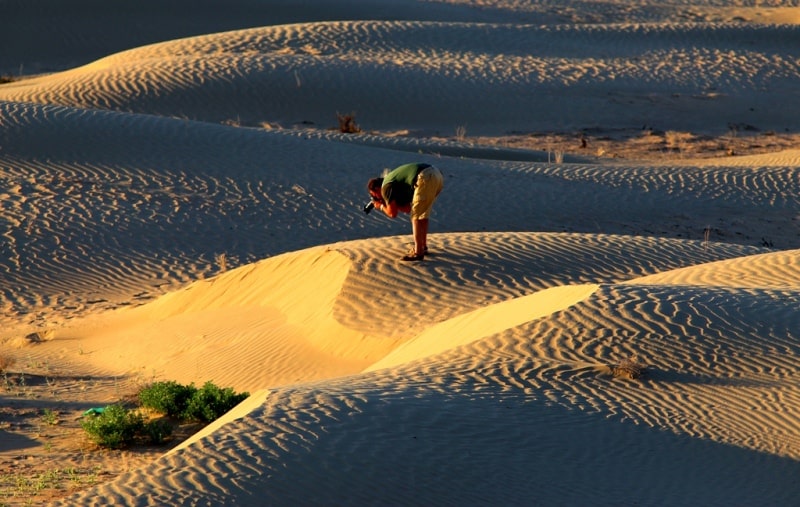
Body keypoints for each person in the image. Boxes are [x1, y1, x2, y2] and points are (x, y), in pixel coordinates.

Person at [367, 162, 444, 261]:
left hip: (425, 176)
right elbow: (407, 208)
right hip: (436, 175)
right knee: (422, 215)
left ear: (377, 188)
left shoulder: (385, 188)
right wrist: (390, 204)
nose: (375, 198)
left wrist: (381, 206)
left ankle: (418, 252)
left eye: (374, 195)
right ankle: (423, 246)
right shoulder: (395, 183)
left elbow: (392, 213)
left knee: (416, 216)